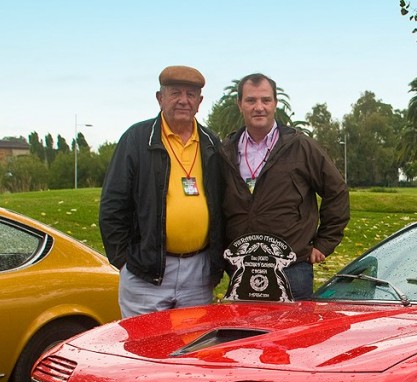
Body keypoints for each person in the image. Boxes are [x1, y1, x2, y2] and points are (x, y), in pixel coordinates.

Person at [100, 65, 224, 317]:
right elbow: (113, 204)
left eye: (191, 95)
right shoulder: (136, 139)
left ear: (199, 102)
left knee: (192, 350)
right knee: (144, 349)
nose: (183, 100)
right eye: (175, 93)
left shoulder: (211, 143)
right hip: (146, 272)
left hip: (198, 273)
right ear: (160, 98)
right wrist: (124, 261)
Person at [220, 73, 349, 300]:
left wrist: (324, 243)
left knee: (291, 335)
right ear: (239, 104)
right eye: (251, 100)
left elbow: (336, 191)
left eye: (265, 100)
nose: (259, 107)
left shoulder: (300, 146)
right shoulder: (226, 150)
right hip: (241, 267)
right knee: (247, 335)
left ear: (275, 104)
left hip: (292, 268)